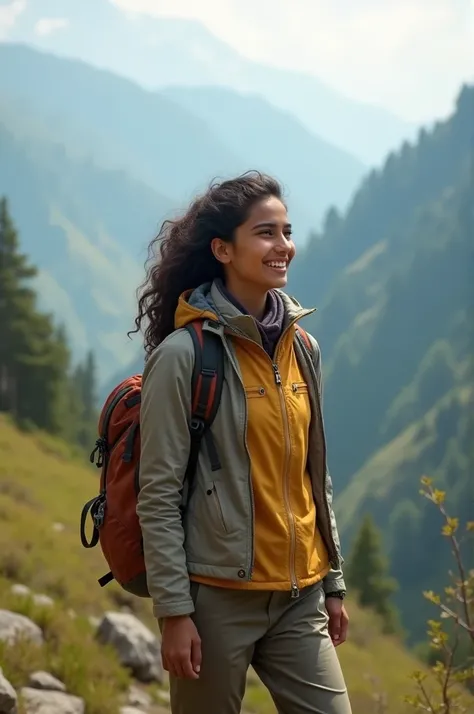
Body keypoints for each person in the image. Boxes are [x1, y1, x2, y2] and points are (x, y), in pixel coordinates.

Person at [133, 172, 352, 714]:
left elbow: (312, 472)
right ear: (222, 249)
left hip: (300, 597)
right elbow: (157, 494)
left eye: (286, 231)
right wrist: (174, 612)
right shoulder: (184, 357)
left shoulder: (303, 349)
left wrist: (333, 580)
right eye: (265, 233)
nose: (283, 247)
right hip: (215, 600)